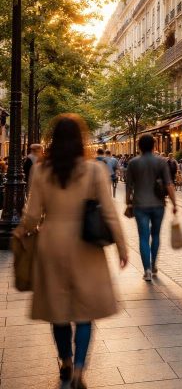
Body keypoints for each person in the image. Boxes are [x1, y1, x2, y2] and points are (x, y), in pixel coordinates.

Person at [21, 114, 128, 388]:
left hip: (52, 242)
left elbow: (32, 216)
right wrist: (122, 247)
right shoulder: (94, 170)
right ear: (80, 140)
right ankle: (80, 368)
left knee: (58, 310)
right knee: (84, 311)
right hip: (86, 245)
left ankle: (65, 361)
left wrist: (21, 232)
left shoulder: (42, 170)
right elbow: (110, 213)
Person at [125, 134, 177, 281]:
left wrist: (128, 202)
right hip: (158, 204)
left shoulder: (133, 163)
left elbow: (128, 185)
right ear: (154, 146)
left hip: (140, 204)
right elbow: (169, 184)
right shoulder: (161, 162)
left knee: (143, 236)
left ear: (139, 146)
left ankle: (146, 270)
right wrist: (174, 203)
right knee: (155, 235)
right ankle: (153, 265)